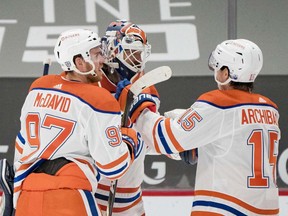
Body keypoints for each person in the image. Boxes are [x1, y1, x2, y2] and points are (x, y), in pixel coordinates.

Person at [119, 39, 281, 215]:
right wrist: (200, 145)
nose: (216, 71)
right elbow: (232, 139)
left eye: (218, 67)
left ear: (225, 73)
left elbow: (165, 138)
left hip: (225, 209)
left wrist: (138, 107)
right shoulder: (270, 109)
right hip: (267, 209)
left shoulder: (218, 103)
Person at [13, 28, 138, 216]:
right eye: (96, 55)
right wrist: (127, 135)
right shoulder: (100, 99)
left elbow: (21, 145)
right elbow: (114, 167)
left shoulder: (38, 87)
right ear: (79, 62)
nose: (102, 61)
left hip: (27, 197)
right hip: (69, 198)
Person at [94, 20, 160, 216]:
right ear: (113, 50)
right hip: (92, 194)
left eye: (140, 53)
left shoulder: (145, 87)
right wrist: (112, 107)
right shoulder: (91, 82)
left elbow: (147, 139)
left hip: (130, 199)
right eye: (133, 53)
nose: (138, 59)